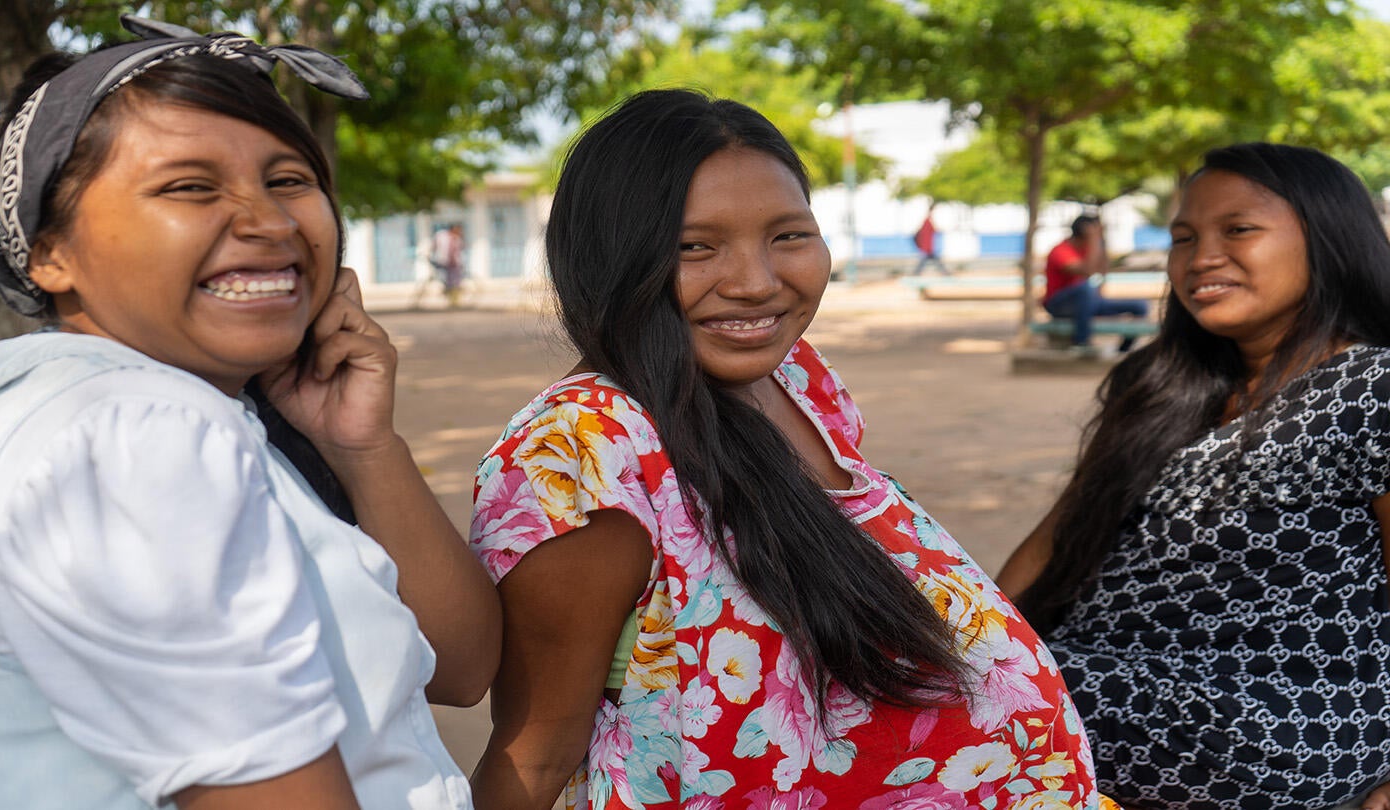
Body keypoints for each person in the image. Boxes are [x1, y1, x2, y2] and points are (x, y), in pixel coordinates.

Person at [468, 89, 1114, 809]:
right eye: (694, 247)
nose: (756, 284)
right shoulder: (586, 453)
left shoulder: (797, 379)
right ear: (608, 260)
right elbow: (538, 750)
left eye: (788, 235)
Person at [0, 16, 499, 808]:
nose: (270, 224)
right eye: (190, 187)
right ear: (48, 253)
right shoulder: (132, 440)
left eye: (288, 181)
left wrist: (363, 446)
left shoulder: (185, 412)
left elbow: (458, 670)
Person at [998, 143, 1390, 809]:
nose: (1200, 257)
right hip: (1116, 686)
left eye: (1238, 230)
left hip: (1271, 721)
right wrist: (979, 644)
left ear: (1326, 237)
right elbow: (1058, 539)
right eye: (1183, 237)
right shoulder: (1163, 384)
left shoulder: (1372, 385)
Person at [1041, 215, 1148, 352]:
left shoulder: (1090, 249)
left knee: (1140, 306)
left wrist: (1101, 241)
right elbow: (1088, 271)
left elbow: (1102, 270)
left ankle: (1122, 350)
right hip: (1059, 305)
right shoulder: (1060, 251)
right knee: (1085, 288)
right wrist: (1094, 238)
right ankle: (1081, 342)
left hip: (1086, 303)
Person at [910, 200, 950, 276]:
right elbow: (928, 233)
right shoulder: (927, 221)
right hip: (927, 247)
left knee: (929, 261)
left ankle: (916, 274)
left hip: (928, 247)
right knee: (929, 261)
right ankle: (945, 273)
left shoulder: (927, 220)